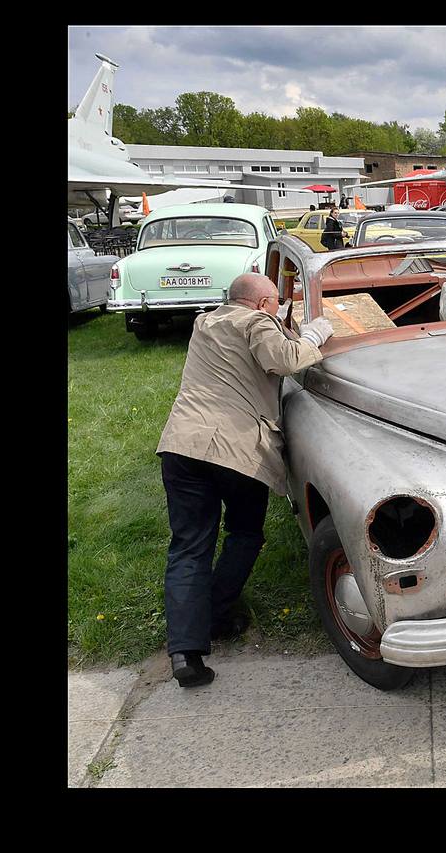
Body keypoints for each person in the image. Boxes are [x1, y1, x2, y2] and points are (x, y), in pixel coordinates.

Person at [156, 274, 336, 687]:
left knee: (188, 546)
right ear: (262, 303)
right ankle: (218, 613)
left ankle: (186, 652)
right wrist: (313, 335)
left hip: (182, 446)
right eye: (274, 303)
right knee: (244, 533)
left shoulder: (204, 323)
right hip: (238, 452)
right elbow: (286, 360)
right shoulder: (257, 322)